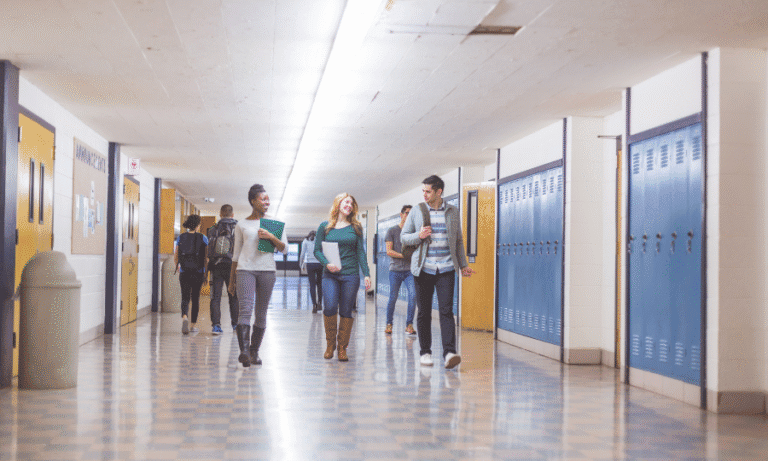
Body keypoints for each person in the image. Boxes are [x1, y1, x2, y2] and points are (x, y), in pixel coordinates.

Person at [401, 175, 475, 369]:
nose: (424, 194)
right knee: (424, 312)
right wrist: (418, 235)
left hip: (446, 268)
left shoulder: (452, 211)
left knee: (446, 311)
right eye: (423, 191)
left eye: (428, 191)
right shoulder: (417, 211)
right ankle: (425, 353)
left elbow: (458, 240)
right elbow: (404, 237)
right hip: (423, 268)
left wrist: (463, 264)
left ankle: (449, 352)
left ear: (439, 192)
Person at [228, 184, 288, 367]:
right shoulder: (242, 224)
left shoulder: (275, 223)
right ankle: (244, 352)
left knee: (261, 314)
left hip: (267, 271)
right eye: (263, 199)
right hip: (245, 270)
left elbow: (285, 249)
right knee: (245, 309)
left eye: (268, 199)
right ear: (253, 201)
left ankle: (254, 352)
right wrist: (232, 280)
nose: (267, 202)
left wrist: (271, 236)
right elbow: (236, 254)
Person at [314, 193, 371, 362]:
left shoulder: (356, 227)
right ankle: (330, 345)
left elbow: (360, 251)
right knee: (330, 306)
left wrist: (366, 273)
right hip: (330, 274)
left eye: (352, 203)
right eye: (346, 202)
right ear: (338, 204)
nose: (350, 205)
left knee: (346, 310)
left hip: (350, 274)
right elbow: (316, 250)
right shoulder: (325, 227)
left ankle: (342, 348)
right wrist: (326, 263)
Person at [384, 205, 417, 336]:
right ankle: (389, 324)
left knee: (413, 296)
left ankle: (409, 325)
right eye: (407, 213)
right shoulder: (392, 231)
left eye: (411, 214)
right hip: (395, 270)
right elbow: (388, 251)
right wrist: (404, 256)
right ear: (401, 214)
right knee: (393, 297)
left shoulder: (414, 232)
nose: (409, 216)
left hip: (410, 271)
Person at [207, 204, 238, 334]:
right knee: (234, 296)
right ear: (232, 214)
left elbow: (209, 250)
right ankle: (236, 325)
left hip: (217, 266)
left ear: (220, 214)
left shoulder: (213, 229)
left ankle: (216, 326)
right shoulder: (238, 228)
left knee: (215, 296)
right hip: (232, 266)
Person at [174, 214, 208, 335]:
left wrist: (178, 267)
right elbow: (206, 258)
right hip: (198, 272)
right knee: (195, 298)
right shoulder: (203, 238)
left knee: (185, 297)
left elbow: (176, 255)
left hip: (184, 272)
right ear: (198, 226)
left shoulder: (181, 237)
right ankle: (193, 326)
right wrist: (206, 273)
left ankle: (184, 318)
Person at [299, 230, 323, 313]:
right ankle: (320, 302)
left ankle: (314, 305)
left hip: (310, 264)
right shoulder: (320, 240)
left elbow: (302, 254)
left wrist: (301, 264)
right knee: (319, 284)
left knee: (312, 284)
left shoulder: (305, 241)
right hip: (320, 264)